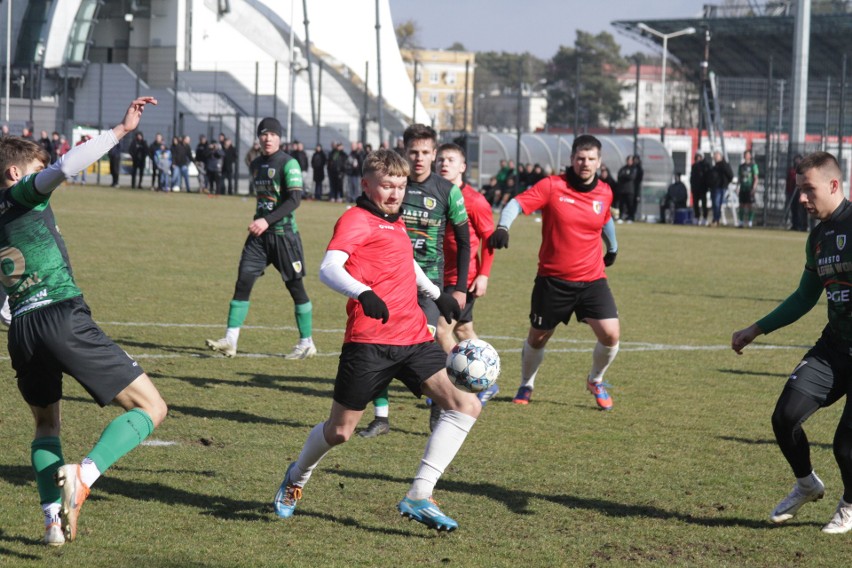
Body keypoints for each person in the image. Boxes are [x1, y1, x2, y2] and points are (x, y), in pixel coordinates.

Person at [272, 148, 478, 532]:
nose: (395, 193)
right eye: (387, 185)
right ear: (366, 184)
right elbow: (328, 268)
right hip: (369, 343)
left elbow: (405, 262)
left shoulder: (394, 222)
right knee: (340, 432)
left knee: (465, 404)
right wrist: (362, 293)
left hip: (414, 337)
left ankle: (420, 494)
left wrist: (437, 294)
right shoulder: (356, 219)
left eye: (400, 186)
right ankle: (296, 478)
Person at [0, 96, 167, 546]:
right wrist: (120, 131)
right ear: (16, 173)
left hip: (22, 330)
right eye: (37, 167)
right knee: (153, 407)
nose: (46, 173)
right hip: (59, 315)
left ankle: (52, 521)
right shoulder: (19, 193)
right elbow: (67, 166)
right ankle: (84, 473)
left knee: (45, 425)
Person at [731, 151, 852, 534]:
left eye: (808, 189)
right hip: (834, 347)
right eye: (799, 189)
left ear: (834, 185)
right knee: (784, 418)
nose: (801, 198)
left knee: (845, 446)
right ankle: (806, 484)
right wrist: (756, 328)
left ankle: (850, 503)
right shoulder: (817, 237)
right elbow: (804, 297)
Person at [489, 134, 620, 410]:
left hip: (592, 279)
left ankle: (596, 379)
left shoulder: (605, 191)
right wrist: (503, 227)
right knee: (538, 337)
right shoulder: (552, 186)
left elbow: (605, 218)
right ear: (572, 160)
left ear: (599, 162)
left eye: (591, 159)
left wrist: (613, 247)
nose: (585, 163)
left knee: (610, 334)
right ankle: (526, 383)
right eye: (580, 158)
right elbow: (515, 203)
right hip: (553, 280)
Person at [358, 124, 469, 438]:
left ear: (434, 154)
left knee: (427, 344)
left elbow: (463, 242)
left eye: (425, 153)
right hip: (388, 279)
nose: (418, 158)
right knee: (377, 345)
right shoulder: (391, 187)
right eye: (413, 152)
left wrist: (459, 287)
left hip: (429, 285)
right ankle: (381, 417)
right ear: (403, 151)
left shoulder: (448, 192)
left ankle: (437, 404)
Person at [206, 117, 315, 359]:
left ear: (280, 137)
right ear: (259, 138)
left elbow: (294, 200)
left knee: (295, 287)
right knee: (243, 281)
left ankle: (307, 342)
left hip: (284, 236)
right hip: (259, 238)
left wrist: (267, 220)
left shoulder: (290, 164)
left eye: (273, 134)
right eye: (264, 134)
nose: (268, 138)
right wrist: (262, 222)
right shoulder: (256, 164)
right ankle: (230, 341)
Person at [435, 143, 499, 413]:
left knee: (440, 332)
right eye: (440, 160)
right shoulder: (435, 193)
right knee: (463, 332)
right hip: (436, 275)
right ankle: (489, 382)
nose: (444, 164)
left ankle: (464, 383)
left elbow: (490, 240)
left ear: (462, 167)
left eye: (450, 160)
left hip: (462, 278)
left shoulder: (474, 200)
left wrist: (483, 274)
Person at [707, 150, 733, 227]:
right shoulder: (714, 167)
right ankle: (715, 220)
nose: (715, 157)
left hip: (720, 188)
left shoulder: (724, 165)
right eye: (714, 156)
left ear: (721, 156)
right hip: (714, 188)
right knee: (715, 205)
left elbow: (730, 175)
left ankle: (716, 220)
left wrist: (725, 184)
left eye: (717, 155)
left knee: (717, 204)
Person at [737, 149, 759, 228]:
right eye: (745, 155)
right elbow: (739, 177)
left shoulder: (753, 166)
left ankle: (750, 221)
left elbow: (756, 178)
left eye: (748, 155)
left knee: (750, 205)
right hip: (743, 188)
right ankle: (741, 222)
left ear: (750, 156)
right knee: (741, 205)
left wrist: (754, 188)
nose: (746, 156)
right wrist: (738, 187)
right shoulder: (741, 166)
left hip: (749, 188)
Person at [787, 154, 806, 231]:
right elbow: (788, 182)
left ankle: (802, 226)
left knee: (801, 210)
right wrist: (788, 191)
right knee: (794, 209)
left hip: (801, 192)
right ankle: (794, 225)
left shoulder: (804, 171)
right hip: (792, 192)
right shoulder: (791, 171)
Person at [690, 152, 709, 226]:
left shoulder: (705, 166)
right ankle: (697, 217)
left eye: (699, 156)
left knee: (704, 204)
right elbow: (692, 178)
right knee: (695, 204)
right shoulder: (694, 166)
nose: (698, 158)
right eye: (697, 156)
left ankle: (705, 218)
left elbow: (707, 177)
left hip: (703, 188)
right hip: (695, 189)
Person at [616, 155, 636, 222]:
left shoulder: (634, 169)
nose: (629, 161)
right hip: (622, 190)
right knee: (621, 204)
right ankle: (621, 217)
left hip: (630, 190)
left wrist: (624, 176)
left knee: (630, 204)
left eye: (630, 160)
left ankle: (630, 217)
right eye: (628, 160)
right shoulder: (623, 168)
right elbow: (619, 176)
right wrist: (625, 176)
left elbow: (631, 177)